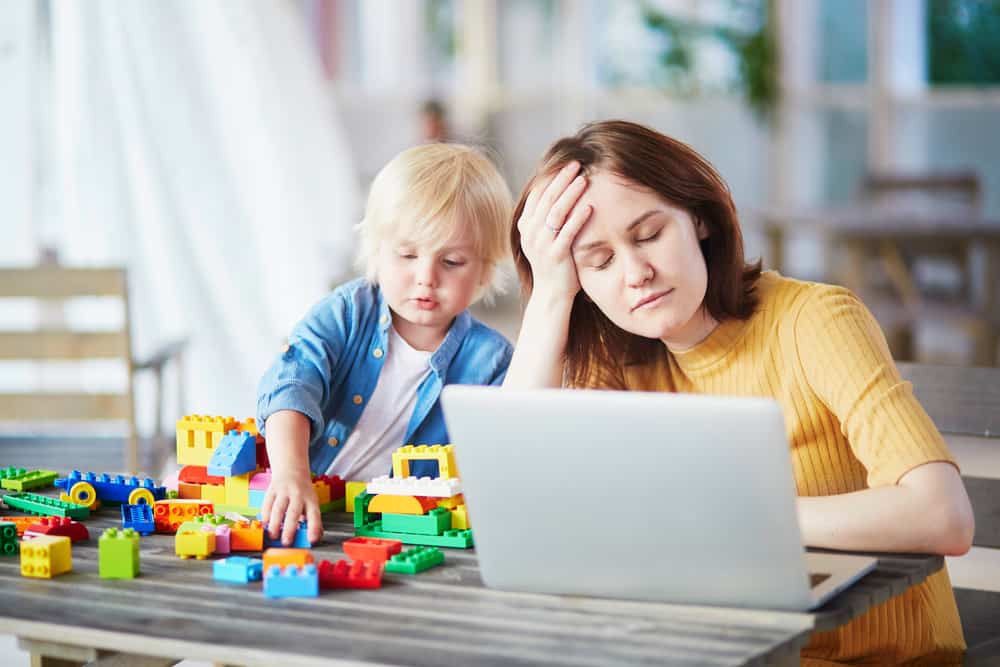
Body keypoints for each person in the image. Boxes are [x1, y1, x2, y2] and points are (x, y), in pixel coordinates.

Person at [505, 120, 974, 665]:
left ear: (699, 219)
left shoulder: (814, 321)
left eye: (650, 234)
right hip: (722, 649)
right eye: (600, 261)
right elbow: (522, 508)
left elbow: (943, 515)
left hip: (869, 656)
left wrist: (745, 517)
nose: (636, 273)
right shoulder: (616, 361)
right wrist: (548, 297)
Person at [257, 143, 513, 547]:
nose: (426, 277)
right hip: (308, 508)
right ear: (377, 250)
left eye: (452, 262)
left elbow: (501, 458)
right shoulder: (346, 313)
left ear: (484, 271)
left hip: (399, 529)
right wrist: (291, 474)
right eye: (407, 254)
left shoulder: (492, 361)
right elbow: (291, 385)